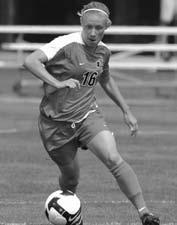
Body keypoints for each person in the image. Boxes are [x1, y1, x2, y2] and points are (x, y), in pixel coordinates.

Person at [24, 2, 160, 225]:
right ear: (81, 23)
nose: (93, 33)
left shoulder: (104, 51)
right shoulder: (65, 44)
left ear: (107, 25)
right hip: (55, 125)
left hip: (88, 116)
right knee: (71, 178)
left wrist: (126, 111)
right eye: (89, 27)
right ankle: (70, 215)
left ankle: (144, 212)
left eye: (99, 27)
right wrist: (57, 83)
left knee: (113, 158)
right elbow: (30, 61)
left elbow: (105, 78)